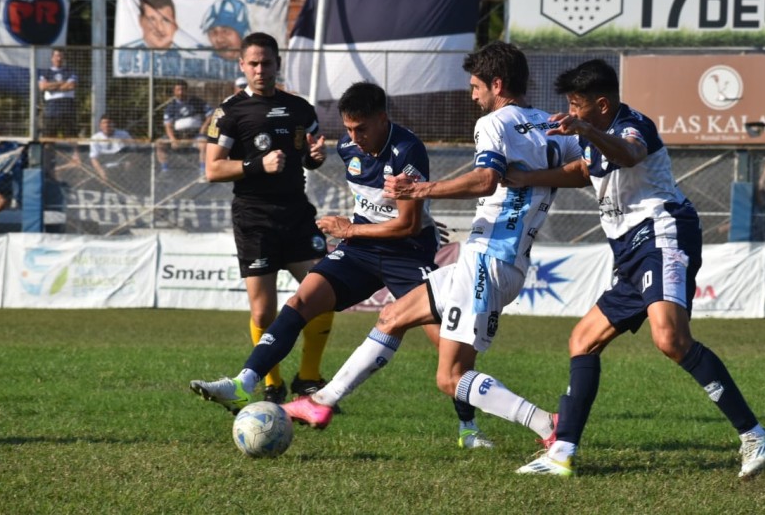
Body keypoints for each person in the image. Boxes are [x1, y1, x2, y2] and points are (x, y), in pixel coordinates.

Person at [272, 41, 582, 451]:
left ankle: (547, 423)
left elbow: (486, 179)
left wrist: (421, 189)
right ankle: (321, 402)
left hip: (490, 259)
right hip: (498, 259)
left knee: (450, 377)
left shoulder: (494, 123)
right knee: (393, 316)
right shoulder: (550, 124)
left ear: (497, 83)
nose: (472, 96)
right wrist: (532, 178)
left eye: (475, 87)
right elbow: (582, 173)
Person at [504, 59, 765, 478]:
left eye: (577, 105)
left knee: (669, 338)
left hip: (661, 233)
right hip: (630, 250)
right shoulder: (592, 133)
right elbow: (584, 170)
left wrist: (587, 132)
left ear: (601, 104)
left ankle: (755, 436)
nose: (572, 112)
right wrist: (528, 178)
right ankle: (561, 453)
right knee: (582, 341)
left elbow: (630, 153)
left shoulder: (634, 125)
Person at [190, 80, 492, 448]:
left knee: (447, 343)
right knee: (301, 301)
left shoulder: (407, 149)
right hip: (361, 250)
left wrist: (349, 229)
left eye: (361, 128)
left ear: (382, 118)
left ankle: (469, 429)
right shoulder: (347, 147)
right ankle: (244, 383)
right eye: (348, 128)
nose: (354, 136)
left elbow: (408, 225)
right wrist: (343, 213)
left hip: (407, 253)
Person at [189, 31, 335, 405]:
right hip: (255, 219)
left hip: (297, 214)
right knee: (263, 309)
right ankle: (272, 382)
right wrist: (258, 164)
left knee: (324, 293)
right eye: (252, 63)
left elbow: (308, 155)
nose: (260, 70)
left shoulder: (300, 108)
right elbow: (212, 169)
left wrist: (314, 158)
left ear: (277, 63)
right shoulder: (229, 112)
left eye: (266, 62)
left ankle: (309, 378)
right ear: (241, 65)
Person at [156, 80, 213, 175]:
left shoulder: (197, 101)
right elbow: (168, 125)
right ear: (174, 91)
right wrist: (172, 139)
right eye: (178, 90)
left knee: (204, 144)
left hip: (195, 135)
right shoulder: (171, 107)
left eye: (183, 89)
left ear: (187, 90)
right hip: (178, 135)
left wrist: (203, 128)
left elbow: (211, 114)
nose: (181, 92)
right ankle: (165, 170)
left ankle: (203, 170)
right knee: (159, 143)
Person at [37, 49, 79, 139]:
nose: (59, 58)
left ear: (64, 58)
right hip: (51, 109)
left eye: (61, 56)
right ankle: (48, 152)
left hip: (67, 108)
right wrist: (61, 83)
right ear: (52, 58)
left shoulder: (70, 71)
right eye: (56, 56)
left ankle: (75, 153)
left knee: (71, 136)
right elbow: (43, 87)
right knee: (49, 137)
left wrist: (51, 87)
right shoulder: (46, 73)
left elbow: (71, 86)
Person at [89, 117, 132, 184]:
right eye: (104, 123)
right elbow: (93, 158)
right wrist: (101, 172)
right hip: (105, 167)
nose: (106, 125)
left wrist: (129, 164)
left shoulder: (124, 134)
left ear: (114, 124)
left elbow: (133, 150)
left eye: (109, 123)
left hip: (121, 167)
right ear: (100, 125)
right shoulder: (95, 138)